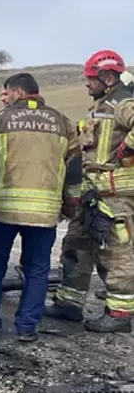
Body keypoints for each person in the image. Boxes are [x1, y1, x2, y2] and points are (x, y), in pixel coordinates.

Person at [0, 73, 80, 342]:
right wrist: (71, 201)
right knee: (37, 269)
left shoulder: (0, 120)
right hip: (44, 211)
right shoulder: (63, 122)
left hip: (2, 208)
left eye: (8, 93)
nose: (6, 98)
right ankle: (27, 327)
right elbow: (74, 167)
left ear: (19, 93)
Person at [46, 50, 134, 333]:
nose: (86, 84)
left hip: (115, 197)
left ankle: (120, 315)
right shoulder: (103, 105)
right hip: (92, 193)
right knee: (76, 245)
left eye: (90, 79)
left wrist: (128, 149)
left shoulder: (124, 103)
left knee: (115, 253)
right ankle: (69, 304)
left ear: (108, 77)